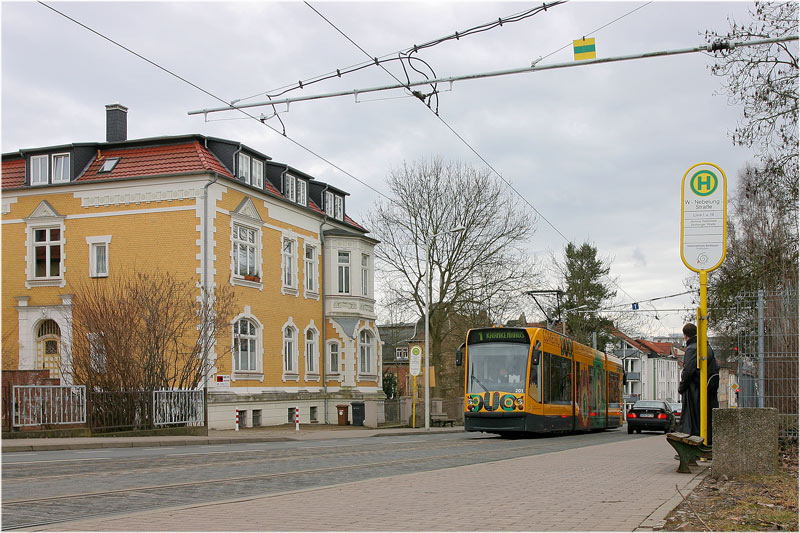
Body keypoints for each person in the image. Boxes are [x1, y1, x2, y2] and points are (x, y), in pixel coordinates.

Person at [678, 323, 720, 444]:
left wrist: (681, 387)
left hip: (695, 391)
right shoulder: (706, 347)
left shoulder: (692, 349)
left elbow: (688, 370)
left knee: (692, 422)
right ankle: (707, 444)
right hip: (707, 389)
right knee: (706, 420)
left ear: (685, 336)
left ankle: (693, 448)